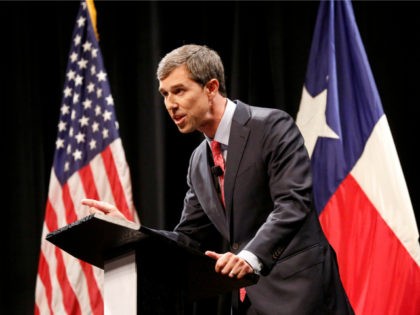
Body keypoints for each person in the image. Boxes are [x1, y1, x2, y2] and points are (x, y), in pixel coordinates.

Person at [82, 44, 354, 315]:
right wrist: (131, 230)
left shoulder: (271, 126)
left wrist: (249, 257)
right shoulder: (199, 161)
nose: (170, 104)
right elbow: (188, 238)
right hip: (249, 302)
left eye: (179, 91)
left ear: (211, 88)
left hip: (300, 292)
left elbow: (293, 204)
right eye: (164, 94)